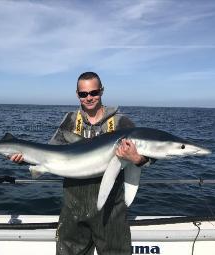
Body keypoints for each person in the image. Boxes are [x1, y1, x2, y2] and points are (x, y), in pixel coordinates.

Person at [10, 72, 150, 255]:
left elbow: (150, 153)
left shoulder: (121, 122)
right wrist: (23, 159)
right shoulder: (69, 121)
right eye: (84, 94)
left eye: (94, 92)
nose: (89, 98)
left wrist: (138, 159)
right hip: (73, 208)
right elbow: (49, 154)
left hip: (111, 210)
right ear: (77, 94)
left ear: (102, 91)